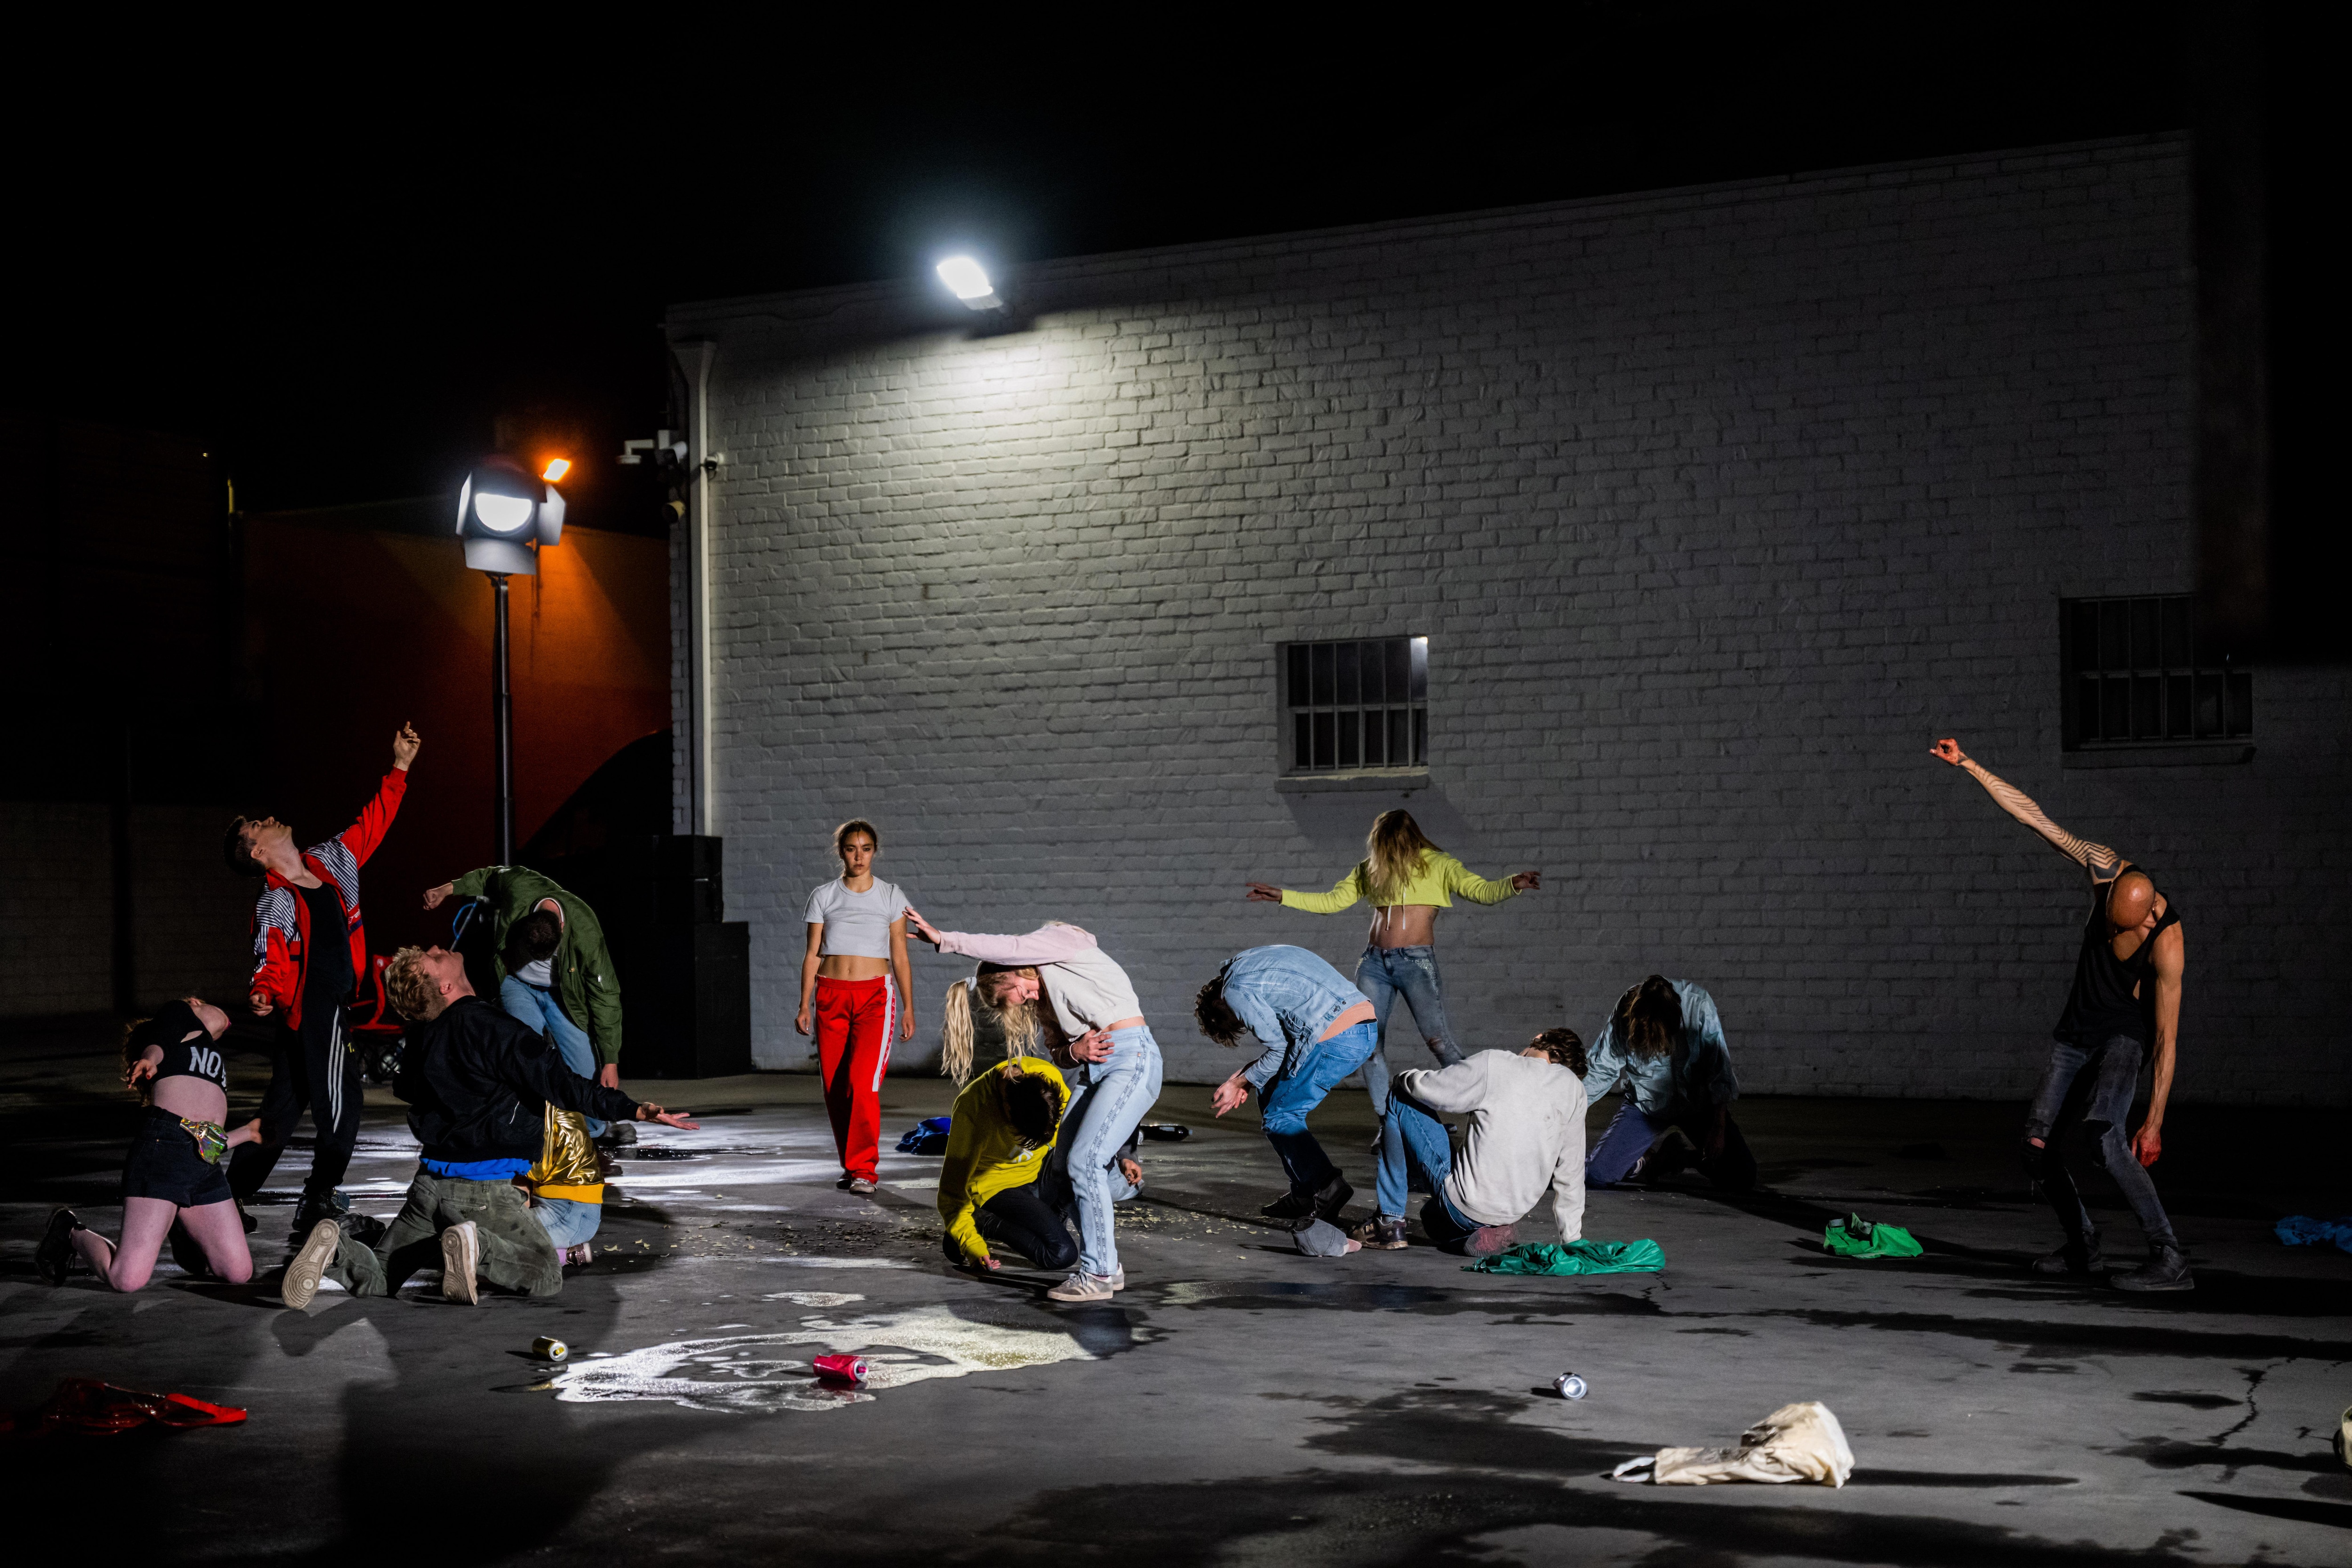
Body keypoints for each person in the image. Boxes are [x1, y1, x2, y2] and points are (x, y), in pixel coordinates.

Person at [277, 945, 696, 1309]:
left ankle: (337, 1251)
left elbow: (407, 1085)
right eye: (436, 957)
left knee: (382, 1276)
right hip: (484, 1190)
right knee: (547, 1273)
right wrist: (634, 1109)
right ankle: (475, 1248)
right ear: (445, 987)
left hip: (428, 1187)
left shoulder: (425, 1037)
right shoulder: (494, 1028)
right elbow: (564, 1085)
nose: (442, 947)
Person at [1931, 737, 2192, 1292]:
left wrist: (2155, 1119)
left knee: (2104, 1137)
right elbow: (2035, 818)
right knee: (2036, 1148)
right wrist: (1969, 765)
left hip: (2123, 1035)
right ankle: (2083, 1248)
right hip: (2075, 1030)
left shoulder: (2167, 942)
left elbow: (2167, 1039)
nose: (2111, 932)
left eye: (2124, 929)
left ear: (2145, 918)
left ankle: (2169, 1257)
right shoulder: (2103, 868)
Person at [225, 721, 421, 1233]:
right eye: (257, 829)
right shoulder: (275, 900)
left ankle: (224, 1198)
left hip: (327, 1006)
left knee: (280, 1114)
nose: (267, 820)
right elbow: (269, 956)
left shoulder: (331, 860)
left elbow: (373, 823)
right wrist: (264, 990)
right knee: (343, 1100)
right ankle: (319, 1197)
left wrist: (399, 766)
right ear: (258, 854)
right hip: (316, 1008)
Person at [916, 916, 1163, 1304]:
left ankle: (1097, 1271)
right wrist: (1075, 1051)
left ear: (1012, 976)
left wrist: (945, 939)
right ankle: (1108, 1267)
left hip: (1132, 1055)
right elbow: (1058, 1053)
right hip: (1096, 1068)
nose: (1027, 1000)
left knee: (1085, 1162)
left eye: (1016, 995)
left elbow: (1009, 948)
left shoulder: (1061, 948)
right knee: (1066, 1162)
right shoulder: (1044, 997)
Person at [1245, 810, 1540, 1122]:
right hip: (1373, 964)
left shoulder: (1440, 865)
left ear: (1409, 838)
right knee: (1369, 1047)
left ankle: (1484, 1106)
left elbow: (1481, 891)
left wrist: (1512, 884)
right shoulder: (1371, 869)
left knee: (1438, 1041)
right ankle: (1388, 1121)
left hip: (1416, 962)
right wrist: (1283, 896)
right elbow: (1331, 902)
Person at [37, 1000, 262, 1291]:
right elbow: (159, 1043)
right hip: (163, 1151)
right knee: (126, 1280)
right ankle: (68, 1231)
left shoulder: (205, 1048)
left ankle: (178, 1217)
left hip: (204, 1163)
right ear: (194, 1004)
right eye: (203, 1003)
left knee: (238, 1272)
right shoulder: (179, 1013)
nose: (223, 1019)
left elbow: (205, 1140)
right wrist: (151, 1059)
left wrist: (249, 1133)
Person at [422, 863, 628, 1144]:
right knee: (520, 1056)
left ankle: (593, 1133)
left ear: (563, 927)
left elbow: (605, 996)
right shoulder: (519, 886)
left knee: (587, 1071)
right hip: (516, 985)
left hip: (562, 996)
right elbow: (489, 877)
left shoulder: (585, 929)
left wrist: (611, 1060)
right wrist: (447, 890)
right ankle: (524, 1129)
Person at [1356, 1028, 1589, 1254]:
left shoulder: (1497, 1064)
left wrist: (1402, 1078)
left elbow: (1429, 1089)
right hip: (1511, 1214)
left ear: (1539, 1039)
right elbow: (1572, 1173)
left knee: (1401, 1097)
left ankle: (1389, 1223)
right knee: (1434, 1216)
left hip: (1461, 1210)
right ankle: (1486, 1232)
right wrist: (1572, 1241)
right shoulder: (1575, 1090)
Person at [1198, 945, 1381, 1230]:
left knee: (1282, 1115)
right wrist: (1250, 1075)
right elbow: (1291, 1035)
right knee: (1270, 1093)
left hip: (1336, 1037)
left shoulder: (1234, 991)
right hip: (1363, 1027)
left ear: (1219, 1004)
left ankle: (1327, 1186)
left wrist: (1239, 1081)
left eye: (1235, 1020)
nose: (1243, 1022)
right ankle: (1304, 1194)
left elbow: (1279, 1049)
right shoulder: (1253, 961)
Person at [795, 820, 916, 1196]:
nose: (859, 855)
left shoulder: (890, 896)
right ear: (841, 852)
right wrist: (804, 1004)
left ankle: (865, 1169)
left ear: (874, 851)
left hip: (875, 997)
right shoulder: (824, 895)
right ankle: (852, 1165)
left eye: (866, 848)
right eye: (851, 848)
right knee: (835, 1087)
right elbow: (812, 954)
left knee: (864, 1084)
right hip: (829, 995)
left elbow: (900, 954)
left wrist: (909, 1006)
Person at [1581, 976, 1755, 1191]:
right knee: (1597, 1175)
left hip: (1696, 1105)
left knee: (1742, 1176)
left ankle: (1678, 1159)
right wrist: (1569, 1111)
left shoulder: (1699, 1006)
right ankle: (1645, 1162)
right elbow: (1602, 1068)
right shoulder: (1626, 1011)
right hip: (1646, 1106)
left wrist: (1718, 1128)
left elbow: (1719, 1070)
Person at [937, 1057, 1078, 1274]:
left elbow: (1072, 1136)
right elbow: (951, 1193)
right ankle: (983, 1221)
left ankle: (1044, 1215)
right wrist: (972, 1245)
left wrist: (1124, 1157)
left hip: (1036, 1176)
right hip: (996, 1188)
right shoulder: (973, 1109)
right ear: (1006, 1108)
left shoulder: (1047, 1077)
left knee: (1082, 1158)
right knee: (1061, 1254)